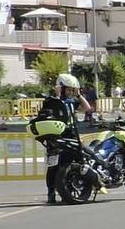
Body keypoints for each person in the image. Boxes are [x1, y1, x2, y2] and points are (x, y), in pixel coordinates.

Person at [32, 72, 91, 204]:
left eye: (72, 90)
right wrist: (57, 95)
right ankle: (51, 193)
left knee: (73, 163)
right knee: (53, 166)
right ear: (61, 88)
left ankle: (69, 190)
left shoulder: (72, 101)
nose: (70, 92)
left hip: (71, 136)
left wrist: (79, 95)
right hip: (56, 138)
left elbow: (87, 108)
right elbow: (45, 115)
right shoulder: (50, 101)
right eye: (68, 89)